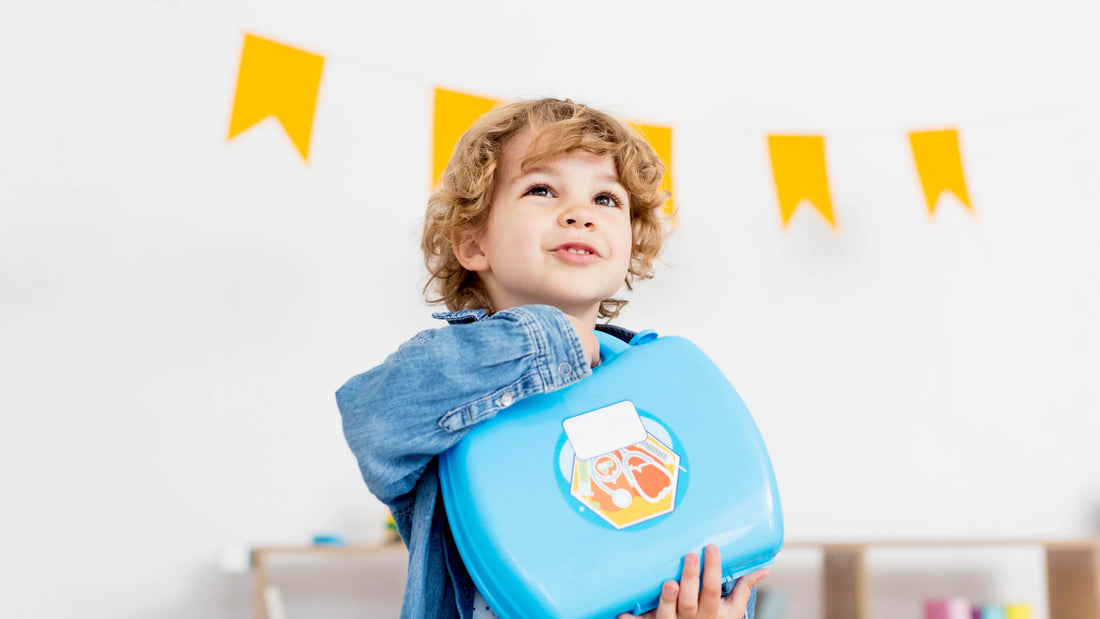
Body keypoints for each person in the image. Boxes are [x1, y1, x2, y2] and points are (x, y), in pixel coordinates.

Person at [336, 97, 768, 619]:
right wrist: (546, 340)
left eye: (606, 199)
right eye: (541, 189)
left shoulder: (663, 381)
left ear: (632, 245)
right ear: (473, 244)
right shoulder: (444, 372)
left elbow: (703, 524)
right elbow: (374, 420)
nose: (580, 214)